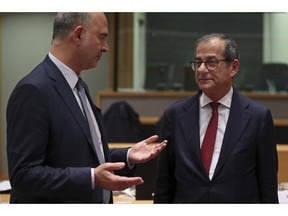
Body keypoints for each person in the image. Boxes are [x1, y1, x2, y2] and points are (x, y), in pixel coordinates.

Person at [6, 12, 167, 204]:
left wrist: (127, 155)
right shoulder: (32, 90)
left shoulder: (78, 85)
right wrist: (91, 178)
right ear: (78, 35)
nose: (106, 47)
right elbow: (23, 175)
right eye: (102, 37)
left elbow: (79, 154)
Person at [154, 33, 278, 203]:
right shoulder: (175, 115)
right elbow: (164, 184)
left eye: (211, 62)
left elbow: (267, 186)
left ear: (233, 67)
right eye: (198, 62)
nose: (202, 70)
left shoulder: (258, 118)